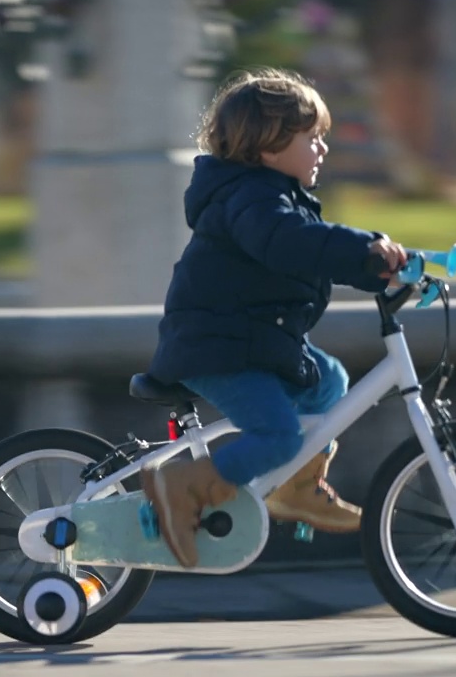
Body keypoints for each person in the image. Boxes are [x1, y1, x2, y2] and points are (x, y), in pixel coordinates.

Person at [143, 67, 409, 568]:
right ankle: (183, 488)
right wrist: (362, 248)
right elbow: (289, 243)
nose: (322, 149)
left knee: (329, 380)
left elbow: (311, 253)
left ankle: (296, 483)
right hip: (218, 348)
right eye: (312, 137)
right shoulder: (251, 200)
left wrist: (382, 268)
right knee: (278, 436)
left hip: (251, 341)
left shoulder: (275, 199)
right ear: (268, 147)